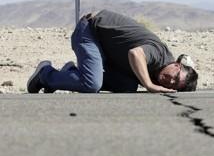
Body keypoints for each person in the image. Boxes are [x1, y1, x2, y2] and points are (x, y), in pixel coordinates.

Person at [27, 10, 198, 94]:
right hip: (90, 31)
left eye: (173, 85)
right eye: (175, 76)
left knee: (128, 86)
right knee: (91, 85)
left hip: (107, 51)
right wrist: (149, 85)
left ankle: (70, 74)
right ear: (176, 64)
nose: (169, 81)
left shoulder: (162, 71)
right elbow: (135, 54)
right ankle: (45, 74)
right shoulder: (158, 54)